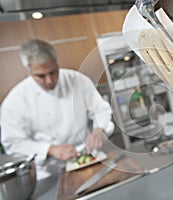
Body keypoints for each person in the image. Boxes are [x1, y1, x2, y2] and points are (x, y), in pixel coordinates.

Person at [0, 39, 114, 177]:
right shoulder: (15, 101)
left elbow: (100, 109)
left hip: (87, 158)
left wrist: (98, 129)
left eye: (53, 72)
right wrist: (49, 149)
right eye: (41, 76)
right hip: (49, 171)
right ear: (29, 71)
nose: (49, 80)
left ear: (57, 64)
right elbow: (13, 143)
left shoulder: (77, 80)